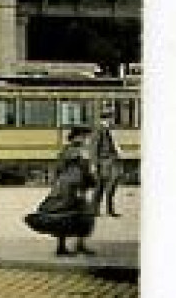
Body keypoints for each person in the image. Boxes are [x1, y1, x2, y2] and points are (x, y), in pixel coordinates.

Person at [25, 127, 98, 256]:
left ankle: (64, 246)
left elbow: (59, 168)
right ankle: (76, 246)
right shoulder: (80, 152)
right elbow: (85, 170)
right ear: (78, 137)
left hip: (63, 186)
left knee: (64, 215)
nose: (87, 139)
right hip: (74, 186)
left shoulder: (66, 151)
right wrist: (90, 182)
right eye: (85, 137)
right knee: (80, 214)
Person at [90, 109, 123, 217]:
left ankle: (107, 210)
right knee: (102, 186)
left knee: (109, 185)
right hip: (104, 161)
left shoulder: (107, 130)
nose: (111, 121)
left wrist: (118, 153)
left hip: (110, 160)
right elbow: (94, 148)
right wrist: (94, 164)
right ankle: (96, 210)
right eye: (110, 118)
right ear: (105, 119)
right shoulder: (99, 130)